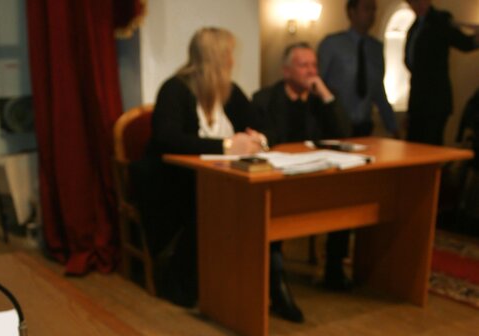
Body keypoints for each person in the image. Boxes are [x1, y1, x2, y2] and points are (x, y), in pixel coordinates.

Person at [134, 27, 265, 308]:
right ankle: (185, 280)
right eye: (229, 54)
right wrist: (227, 146)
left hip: (215, 177)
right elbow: (168, 139)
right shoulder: (174, 89)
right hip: (170, 181)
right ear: (217, 57)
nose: (232, 61)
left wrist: (258, 139)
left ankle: (248, 278)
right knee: (216, 202)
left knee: (253, 200)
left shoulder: (229, 91)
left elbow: (260, 124)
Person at [252, 42, 353, 311]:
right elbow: (267, 140)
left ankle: (334, 269)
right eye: (303, 65)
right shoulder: (265, 100)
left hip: (317, 176)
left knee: (346, 198)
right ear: (286, 71)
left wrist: (327, 96)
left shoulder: (322, 98)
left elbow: (344, 133)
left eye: (314, 65)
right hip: (280, 178)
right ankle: (276, 282)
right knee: (273, 211)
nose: (311, 71)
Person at [318, 0, 398, 137]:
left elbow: (378, 91)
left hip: (364, 127)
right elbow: (318, 83)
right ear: (352, 12)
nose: (371, 14)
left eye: (373, 10)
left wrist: (393, 127)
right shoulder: (332, 44)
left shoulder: (376, 48)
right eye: (366, 9)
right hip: (334, 127)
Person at [405, 0, 479, 146]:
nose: (418, 5)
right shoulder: (414, 27)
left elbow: (463, 43)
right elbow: (413, 65)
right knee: (414, 146)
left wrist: (476, 39)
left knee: (430, 145)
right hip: (418, 102)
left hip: (435, 101)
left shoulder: (440, 20)